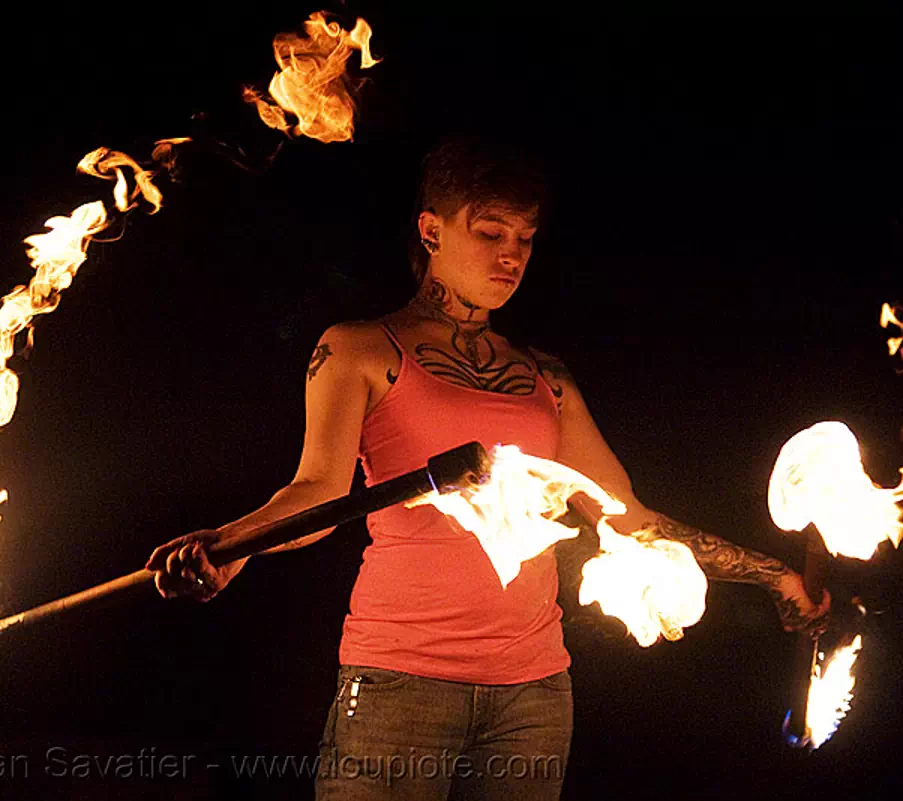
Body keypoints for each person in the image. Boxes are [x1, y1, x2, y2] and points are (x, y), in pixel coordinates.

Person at [146, 137, 830, 800]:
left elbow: (628, 517)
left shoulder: (545, 376)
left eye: (524, 239)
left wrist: (775, 575)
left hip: (533, 692)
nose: (510, 256)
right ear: (431, 230)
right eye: (490, 232)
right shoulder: (359, 349)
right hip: (400, 680)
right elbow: (317, 491)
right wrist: (232, 545)